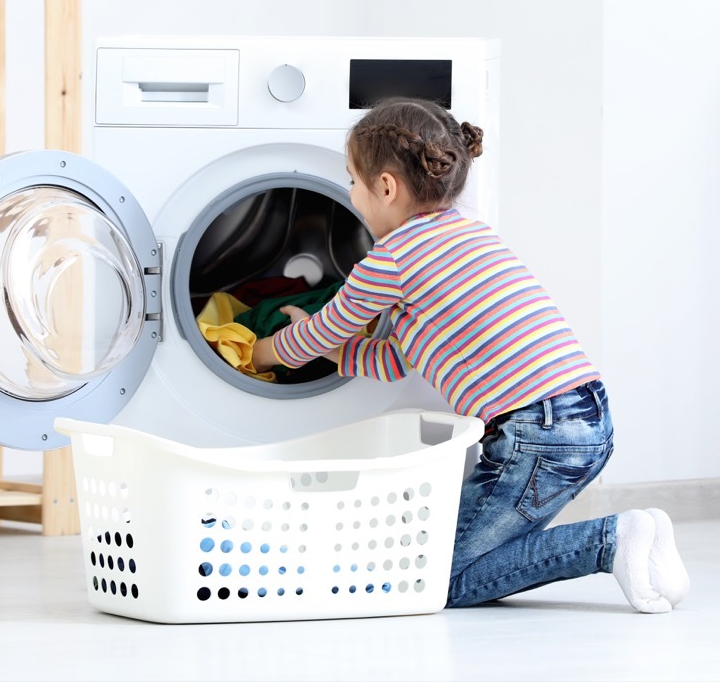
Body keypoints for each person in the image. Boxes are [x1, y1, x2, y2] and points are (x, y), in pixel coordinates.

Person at [252, 97, 689, 613]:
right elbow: (394, 360)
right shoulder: (469, 233)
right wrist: (332, 354)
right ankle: (643, 539)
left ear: (386, 187)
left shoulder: (391, 258)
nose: (349, 193)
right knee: (467, 557)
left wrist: (263, 351)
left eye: (352, 181)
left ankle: (610, 542)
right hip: (581, 416)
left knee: (438, 578)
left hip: (537, 434)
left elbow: (325, 330)